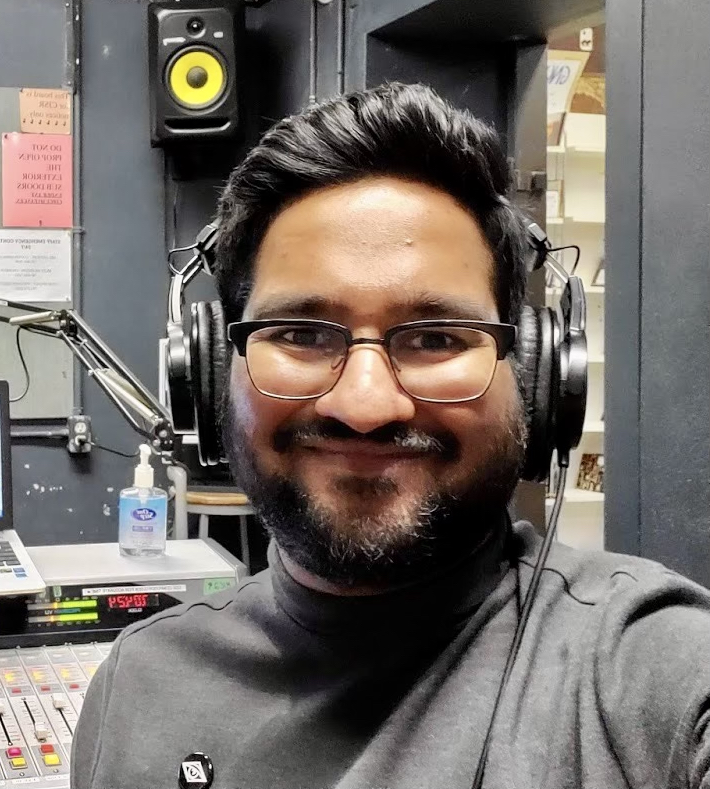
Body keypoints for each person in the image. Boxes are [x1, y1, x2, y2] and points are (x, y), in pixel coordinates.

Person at [71, 83, 710, 789]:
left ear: (532, 373)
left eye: (435, 337)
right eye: (300, 334)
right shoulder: (139, 686)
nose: (365, 403)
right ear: (211, 368)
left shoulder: (650, 668)